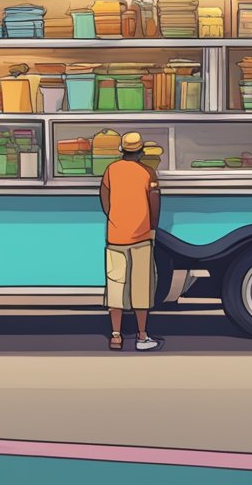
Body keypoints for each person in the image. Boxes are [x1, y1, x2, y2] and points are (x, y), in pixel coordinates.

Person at [100, 132, 163, 352]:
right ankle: (142, 336)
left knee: (116, 287)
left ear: (122, 150)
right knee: (141, 289)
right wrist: (152, 228)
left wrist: (116, 220)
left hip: (115, 237)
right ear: (141, 152)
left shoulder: (111, 170)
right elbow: (154, 203)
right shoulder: (148, 172)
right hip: (141, 238)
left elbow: (105, 200)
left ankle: (116, 336)